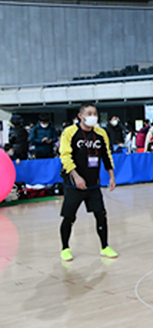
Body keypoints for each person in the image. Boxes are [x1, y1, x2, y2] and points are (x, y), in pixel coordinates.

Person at [58, 102, 118, 262]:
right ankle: (65, 248)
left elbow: (106, 154)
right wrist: (76, 176)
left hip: (93, 183)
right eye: (89, 113)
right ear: (81, 116)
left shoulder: (100, 133)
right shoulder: (69, 132)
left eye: (95, 113)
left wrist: (111, 175)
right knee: (69, 217)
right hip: (73, 184)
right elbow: (65, 156)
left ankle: (105, 246)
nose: (93, 116)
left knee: (101, 214)